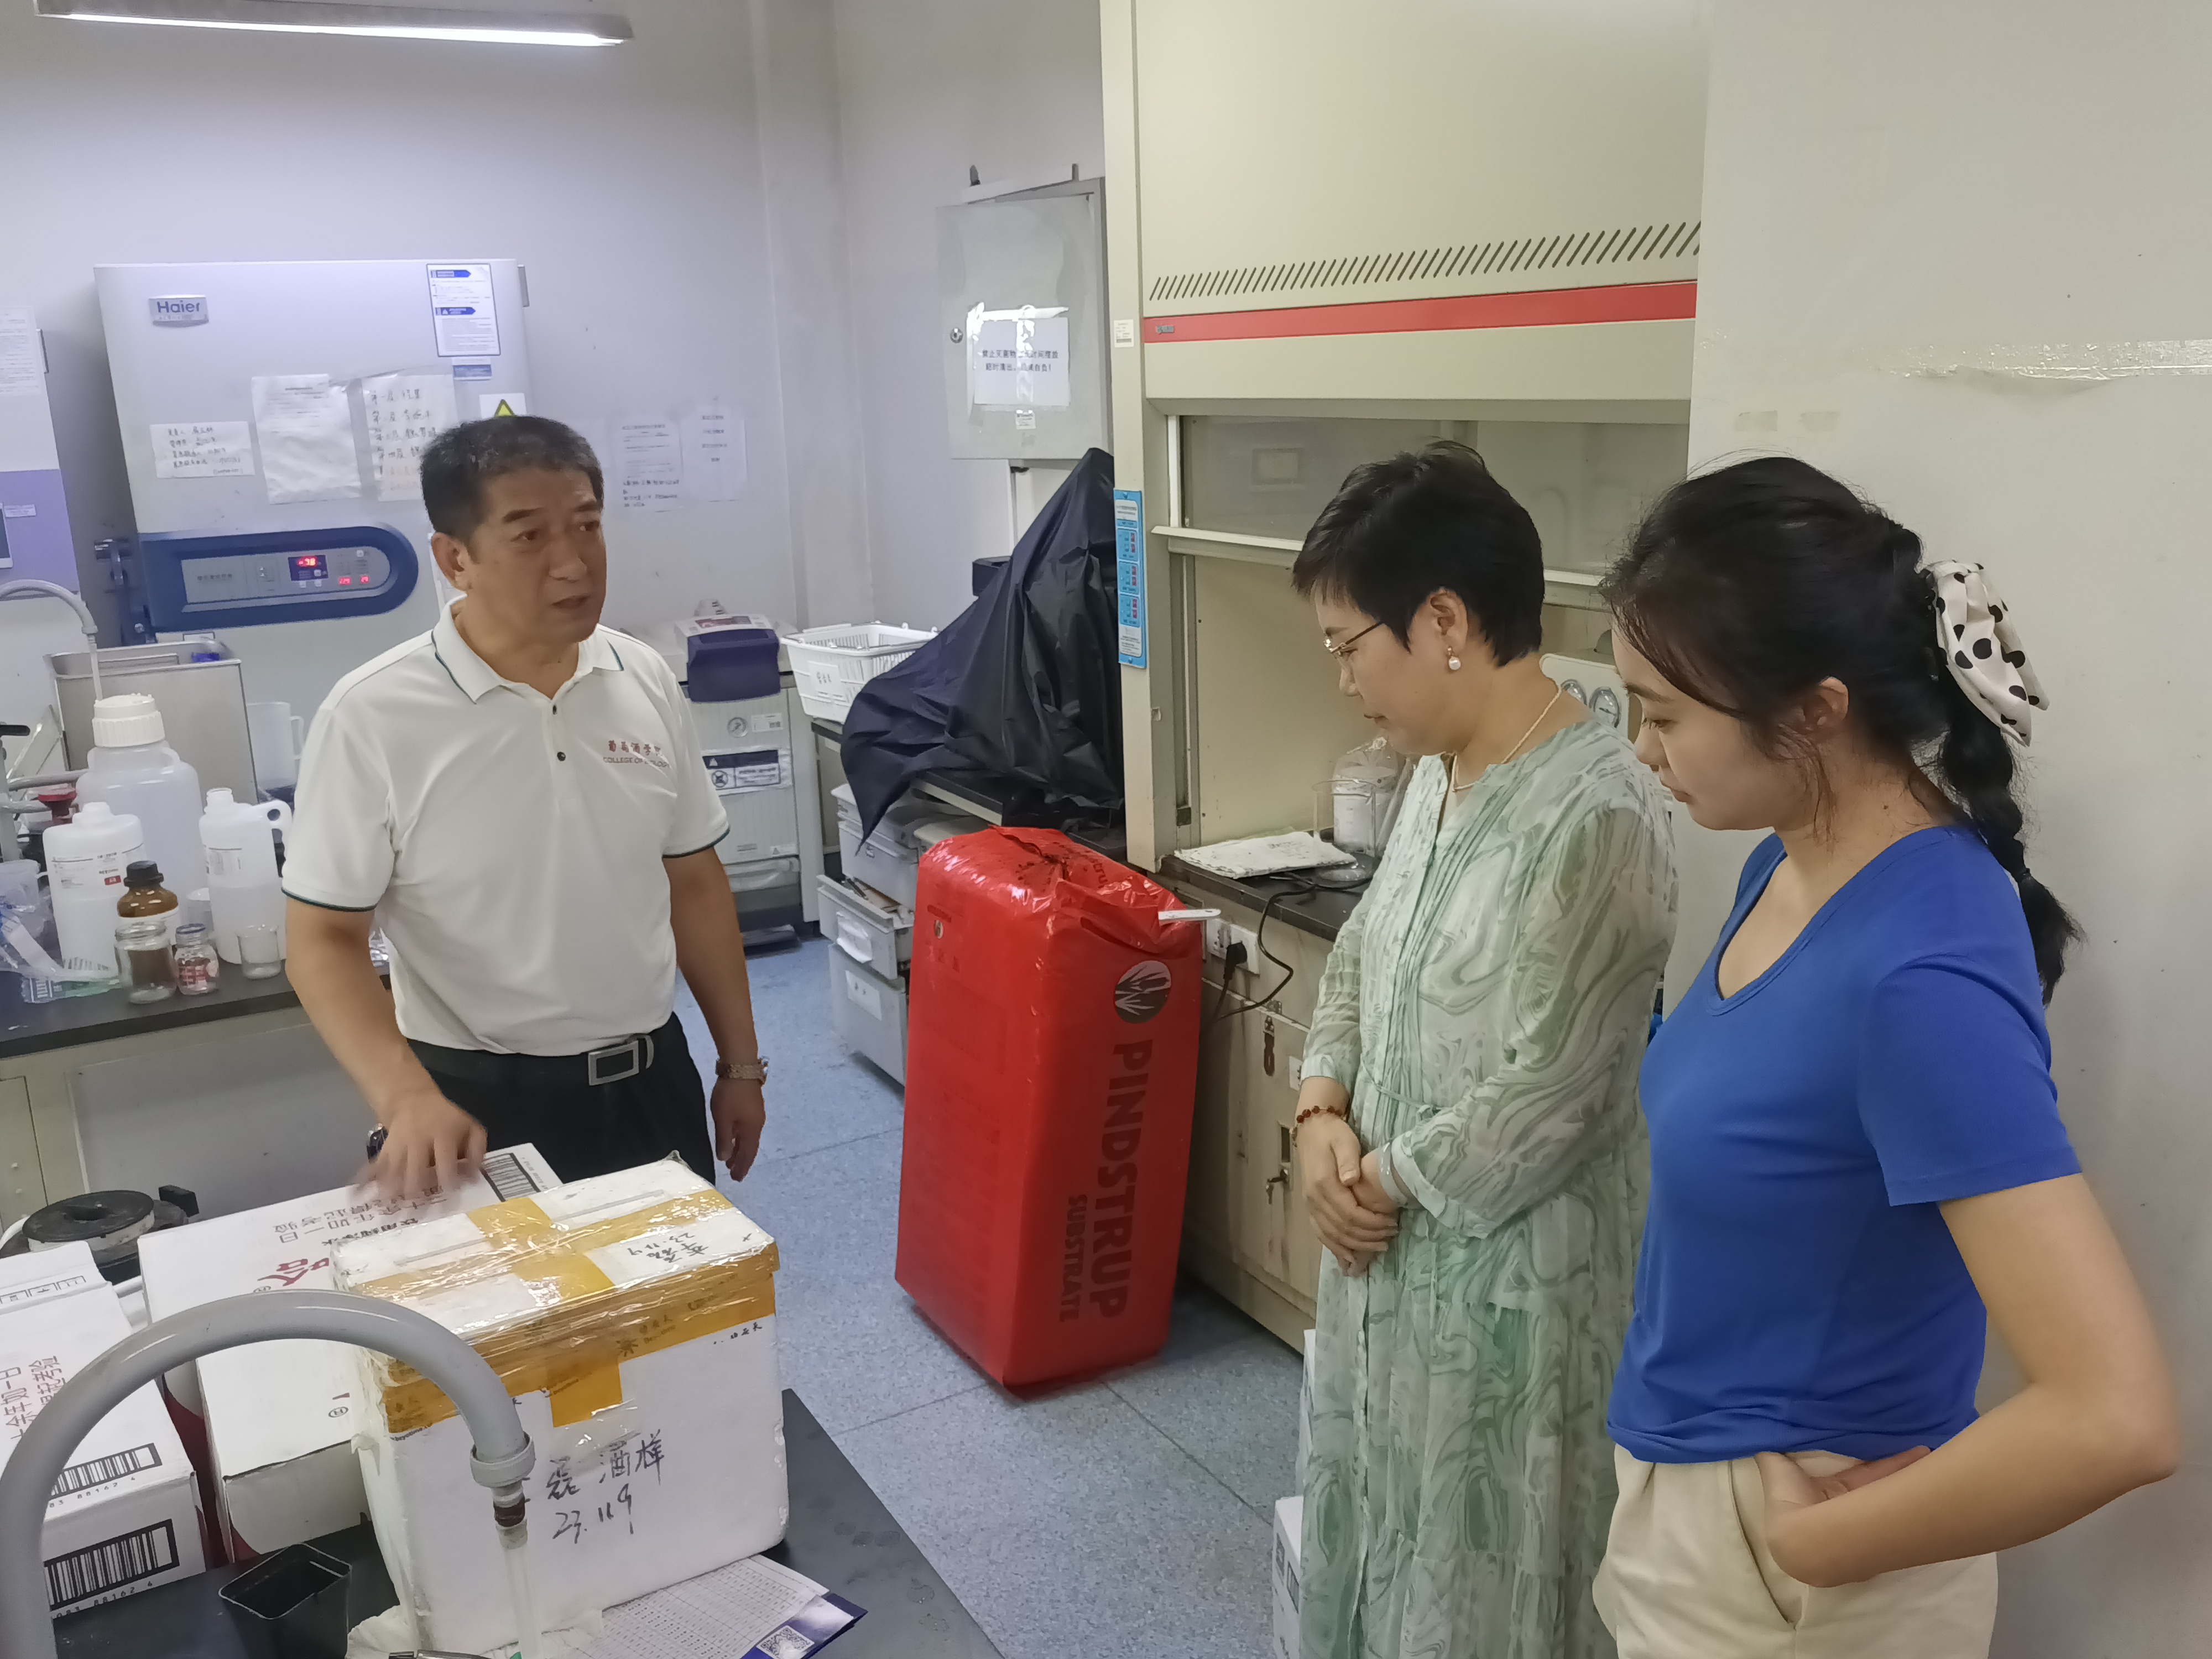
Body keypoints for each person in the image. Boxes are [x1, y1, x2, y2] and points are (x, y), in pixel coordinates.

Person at [1594, 457, 2178, 1657]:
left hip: (1789, 1566)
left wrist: (1813, 1548)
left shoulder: (1915, 973)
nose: (1643, 750)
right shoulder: (1787, 860)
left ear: (1814, 711)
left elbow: (2115, 1416)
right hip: (1698, 1496)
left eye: (1664, 716)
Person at [1289, 441, 1677, 1659]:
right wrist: (1318, 1107)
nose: (1344, 681)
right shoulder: (1438, 773)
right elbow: (1365, 949)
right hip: (1386, 1257)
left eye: (1350, 646)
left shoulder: (1600, 811)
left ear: (1445, 621)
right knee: (1381, 1537)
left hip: (1510, 1291)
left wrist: (1373, 1181)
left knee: (1486, 1580)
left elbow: (1561, 1088)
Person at [283, 416, 769, 1195]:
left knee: (677, 1282)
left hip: (650, 1081)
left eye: (587, 526)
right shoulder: (373, 714)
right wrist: (405, 1098)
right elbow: (322, 939)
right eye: (530, 536)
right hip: (473, 1104)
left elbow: (693, 883)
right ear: (456, 559)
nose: (572, 563)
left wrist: (740, 1064)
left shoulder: (642, 677)